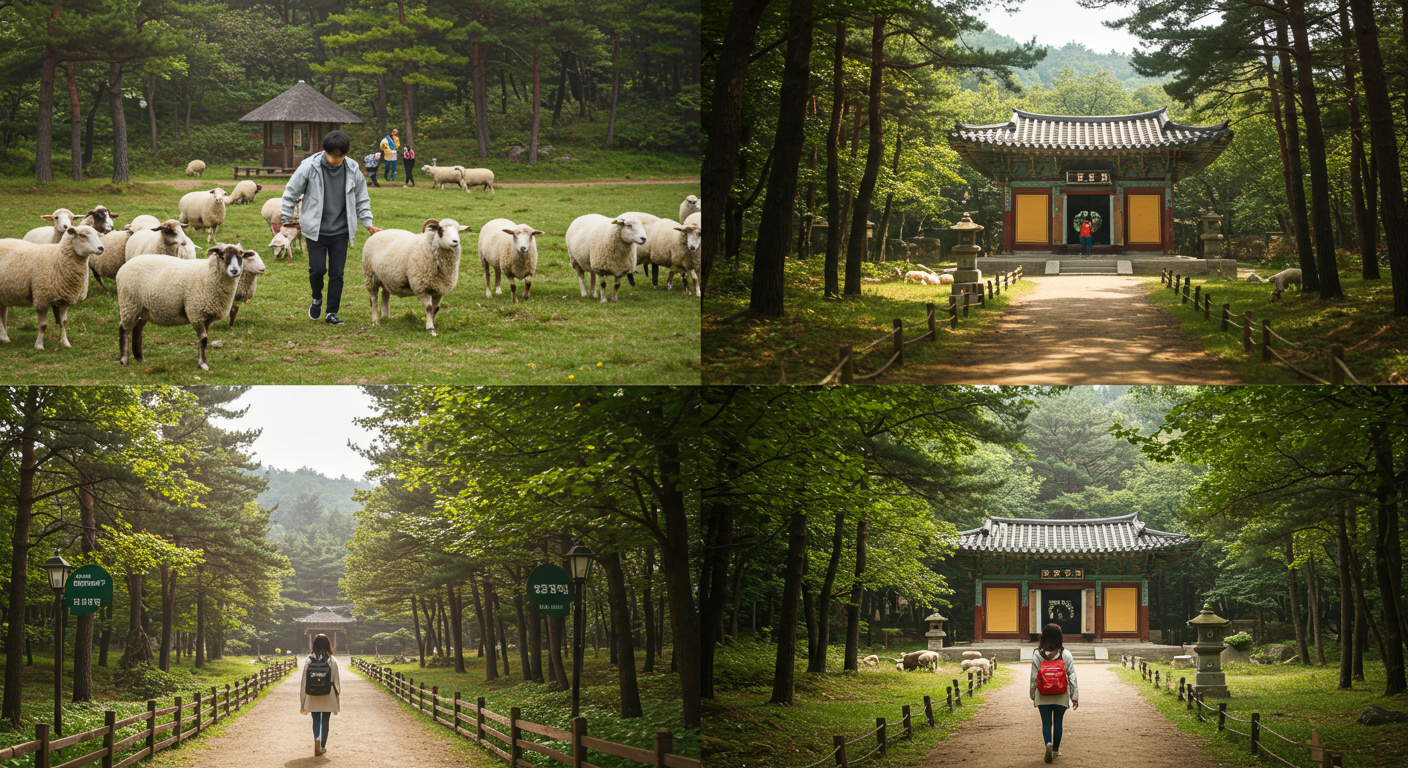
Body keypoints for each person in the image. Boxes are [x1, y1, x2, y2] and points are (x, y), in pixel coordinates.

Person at [281, 130, 381, 327]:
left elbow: (362, 198)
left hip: (341, 231)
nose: (336, 160)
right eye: (332, 155)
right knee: (317, 270)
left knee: (337, 273)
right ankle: (317, 298)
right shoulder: (309, 167)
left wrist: (367, 222)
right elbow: (291, 192)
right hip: (315, 229)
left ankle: (331, 312)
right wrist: (285, 218)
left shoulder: (352, 169)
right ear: (324, 151)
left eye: (340, 155)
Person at [1030, 622, 1079, 763]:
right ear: (1060, 637)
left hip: (1043, 693)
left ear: (1043, 636)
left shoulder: (1037, 655)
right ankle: (1056, 750)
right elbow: (1072, 676)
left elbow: (1034, 676)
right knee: (1058, 722)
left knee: (1046, 723)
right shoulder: (1066, 654)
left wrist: (1033, 694)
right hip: (1061, 692)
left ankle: (1048, 744)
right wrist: (1074, 696)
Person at [300, 634, 341, 756]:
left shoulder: (308, 660)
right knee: (326, 721)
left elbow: (304, 682)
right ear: (328, 645)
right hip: (328, 695)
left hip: (312, 694)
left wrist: (303, 701)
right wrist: (337, 701)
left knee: (316, 719)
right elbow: (336, 682)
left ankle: (316, 739)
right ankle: (322, 746)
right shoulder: (332, 660)